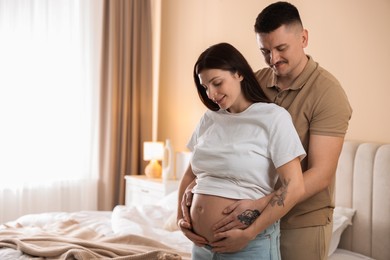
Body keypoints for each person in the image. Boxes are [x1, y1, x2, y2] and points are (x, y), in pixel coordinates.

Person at [180, 2, 353, 260]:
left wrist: (261, 206)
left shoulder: (328, 94)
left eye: (281, 48)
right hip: (243, 221)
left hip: (301, 221)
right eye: (265, 51)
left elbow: (321, 174)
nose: (273, 59)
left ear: (304, 38)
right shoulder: (254, 81)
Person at [176, 42, 306, 259]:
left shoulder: (273, 117)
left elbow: (295, 186)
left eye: (217, 83)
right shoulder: (209, 119)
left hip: (247, 243)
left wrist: (249, 233)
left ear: (239, 74)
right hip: (201, 248)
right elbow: (190, 174)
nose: (211, 94)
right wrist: (181, 220)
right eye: (205, 87)